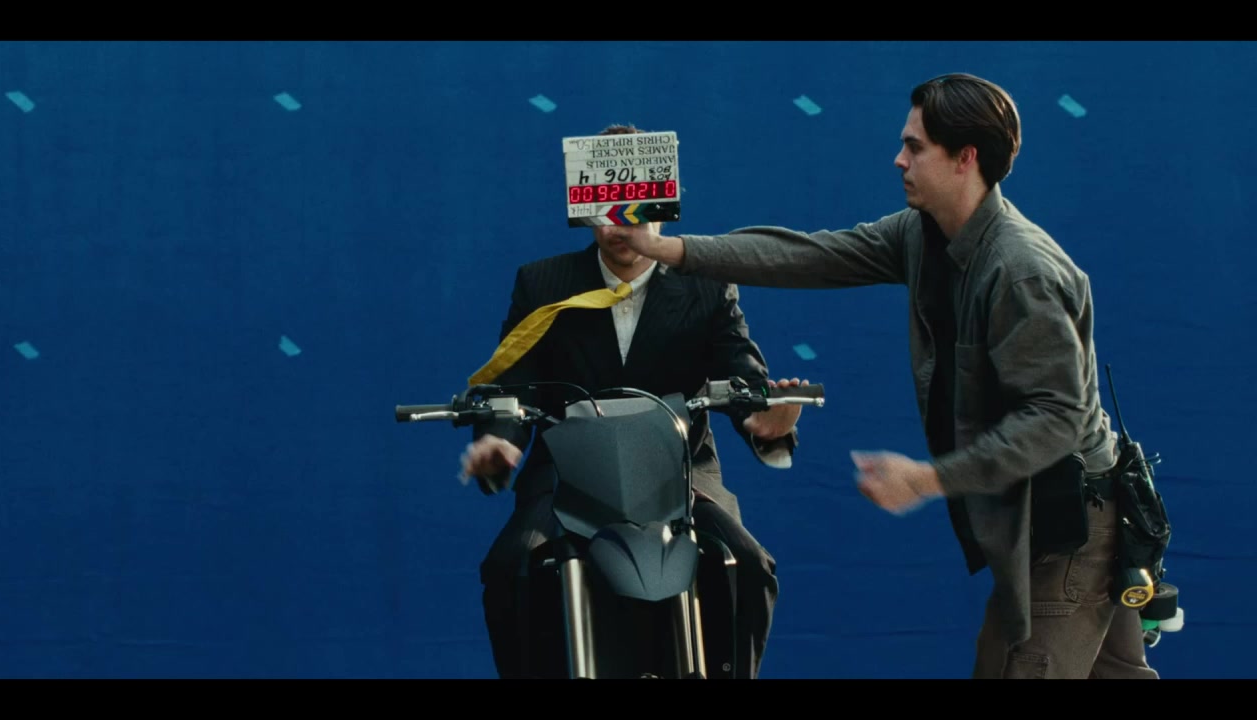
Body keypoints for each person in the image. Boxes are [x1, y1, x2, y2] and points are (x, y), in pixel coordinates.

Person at [616, 73, 1160, 679]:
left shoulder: (1021, 271)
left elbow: (1056, 419)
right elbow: (809, 256)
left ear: (965, 158)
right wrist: (667, 250)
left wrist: (929, 478)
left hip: (1072, 526)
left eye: (915, 146)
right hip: (1051, 514)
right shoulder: (922, 235)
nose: (899, 159)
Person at [460, 123, 808, 679]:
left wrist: (768, 423)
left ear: (663, 205)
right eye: (603, 208)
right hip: (567, 478)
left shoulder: (708, 284)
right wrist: (500, 443)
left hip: (681, 475)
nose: (617, 223)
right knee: (510, 567)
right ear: (583, 207)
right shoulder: (543, 283)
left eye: (633, 207)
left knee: (749, 565)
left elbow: (742, 375)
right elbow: (512, 384)